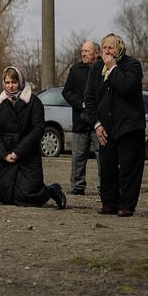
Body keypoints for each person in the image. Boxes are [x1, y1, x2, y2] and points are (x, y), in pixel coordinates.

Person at [84, 33, 146, 217]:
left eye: (111, 47)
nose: (107, 51)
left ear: (119, 48)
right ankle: (109, 203)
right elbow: (90, 98)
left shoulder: (132, 65)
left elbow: (126, 86)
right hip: (106, 127)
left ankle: (127, 205)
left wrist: (112, 68)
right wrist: (97, 124)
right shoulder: (96, 70)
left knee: (129, 168)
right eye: (104, 47)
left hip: (130, 126)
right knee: (108, 167)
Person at [0, 66, 66, 209]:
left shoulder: (33, 101)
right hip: (5, 155)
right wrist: (3, 154)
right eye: (7, 82)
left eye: (14, 82)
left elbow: (38, 129)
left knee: (28, 196)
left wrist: (18, 152)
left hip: (27, 154)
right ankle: (47, 189)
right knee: (5, 196)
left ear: (20, 81)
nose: (10, 86)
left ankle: (51, 190)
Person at [63, 40, 100, 195]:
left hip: (100, 123)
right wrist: (81, 103)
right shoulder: (75, 70)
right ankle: (77, 187)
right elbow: (66, 92)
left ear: (96, 53)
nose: (83, 54)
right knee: (78, 157)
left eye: (87, 51)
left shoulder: (104, 70)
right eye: (82, 51)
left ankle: (104, 187)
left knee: (103, 158)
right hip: (80, 121)